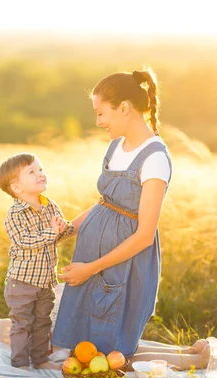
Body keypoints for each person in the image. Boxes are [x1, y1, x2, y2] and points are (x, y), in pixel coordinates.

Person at [51, 66, 176, 362]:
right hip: (91, 257)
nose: (98, 122)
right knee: (80, 346)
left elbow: (144, 235)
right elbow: (105, 203)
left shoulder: (155, 158)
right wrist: (68, 230)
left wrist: (91, 268)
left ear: (124, 108)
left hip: (121, 264)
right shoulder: (116, 146)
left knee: (111, 352)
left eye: (101, 113)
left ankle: (196, 357)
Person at [0, 153, 74, 370]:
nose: (40, 173)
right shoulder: (15, 213)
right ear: (17, 188)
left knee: (43, 322)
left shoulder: (50, 206)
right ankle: (20, 362)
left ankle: (40, 359)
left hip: (45, 281)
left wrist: (64, 228)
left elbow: (59, 233)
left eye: (40, 169)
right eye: (32, 172)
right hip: (21, 282)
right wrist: (51, 232)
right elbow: (23, 240)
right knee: (22, 323)